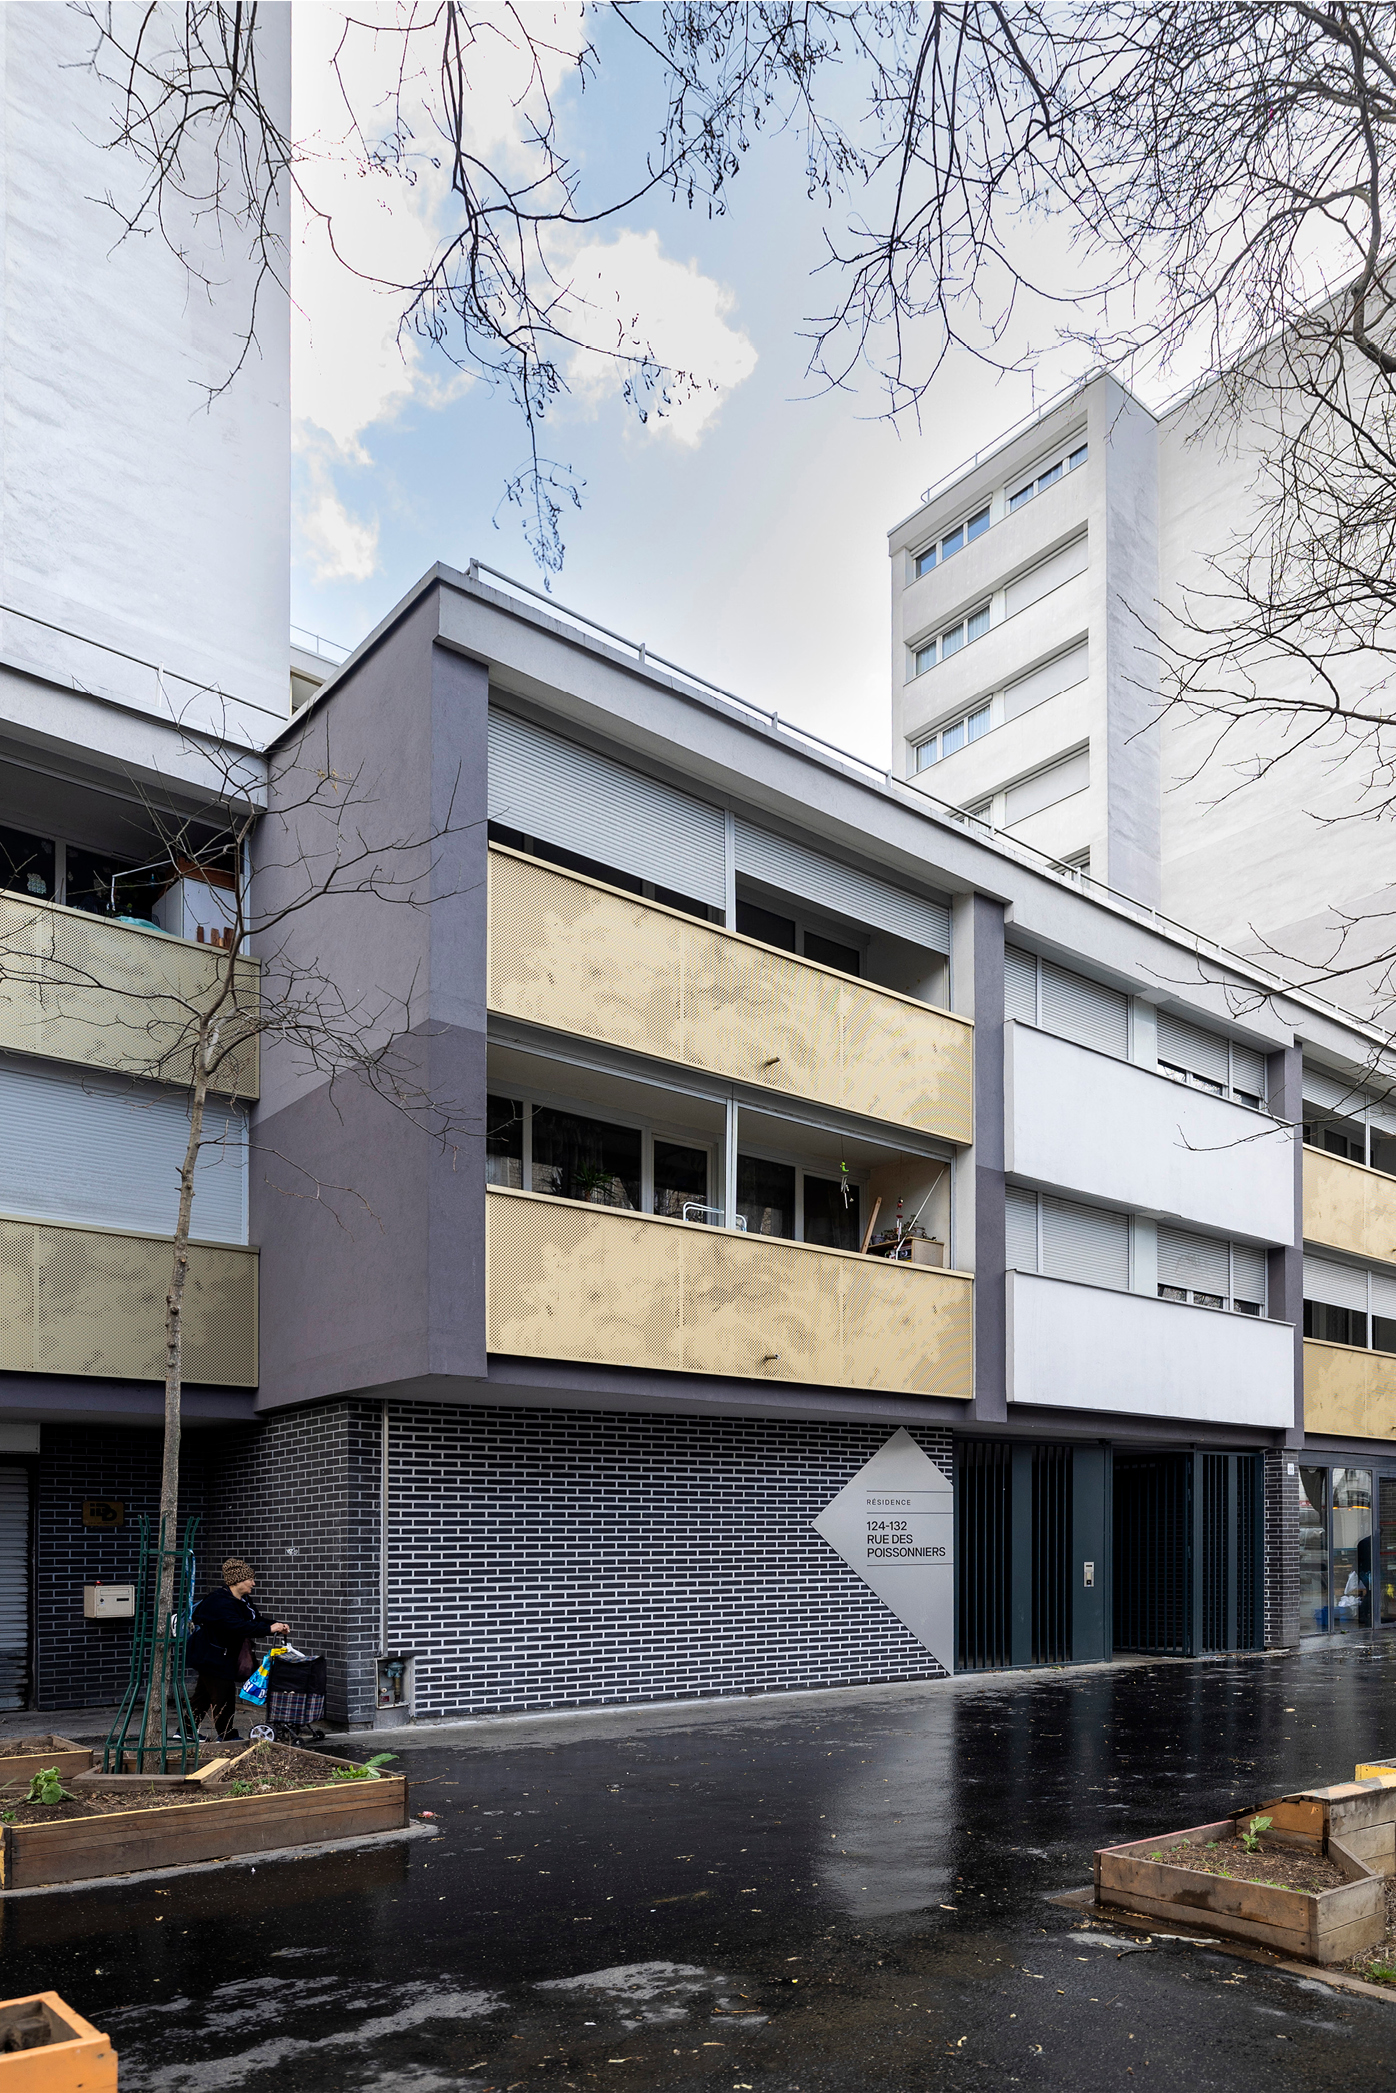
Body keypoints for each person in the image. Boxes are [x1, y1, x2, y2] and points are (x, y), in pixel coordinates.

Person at [187, 1558, 290, 1741]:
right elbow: (236, 1626)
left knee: (202, 1697)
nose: (253, 1583)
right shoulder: (219, 1603)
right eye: (250, 1579)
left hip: (223, 1655)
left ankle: (185, 1732)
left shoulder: (243, 1600)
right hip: (213, 1656)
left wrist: (275, 1624)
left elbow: (254, 1620)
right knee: (223, 1697)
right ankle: (227, 1736)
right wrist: (268, 1629)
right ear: (237, 1581)